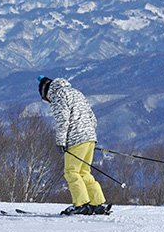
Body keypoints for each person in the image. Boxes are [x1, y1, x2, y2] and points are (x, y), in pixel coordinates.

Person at [38, 75, 111, 215]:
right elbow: (92, 117)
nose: (47, 100)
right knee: (84, 172)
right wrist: (87, 136)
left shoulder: (58, 96)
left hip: (75, 139)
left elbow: (62, 120)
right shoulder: (76, 93)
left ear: (46, 92)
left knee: (71, 172)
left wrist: (61, 141)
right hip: (90, 137)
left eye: (45, 98)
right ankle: (98, 203)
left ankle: (81, 204)